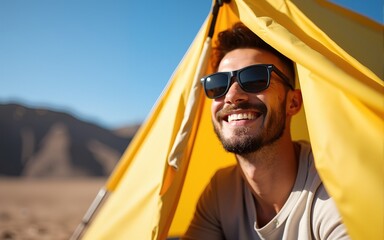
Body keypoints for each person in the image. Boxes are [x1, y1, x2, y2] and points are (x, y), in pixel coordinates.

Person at [182, 22, 349, 240]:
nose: (232, 96)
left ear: (293, 103)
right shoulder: (221, 191)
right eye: (218, 84)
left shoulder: (336, 191)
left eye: (255, 79)